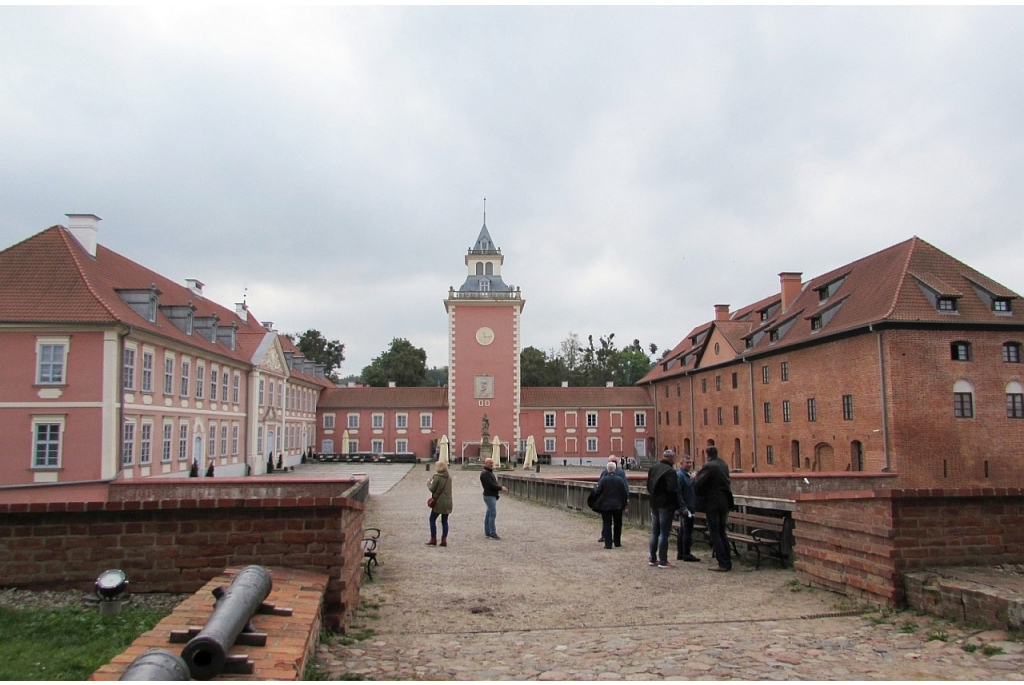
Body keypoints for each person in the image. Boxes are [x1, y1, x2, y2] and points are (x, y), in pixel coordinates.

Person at [694, 445, 734, 572]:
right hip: (724, 501)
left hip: (713, 503)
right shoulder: (724, 465)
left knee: (715, 533)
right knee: (722, 532)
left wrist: (695, 477)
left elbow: (698, 483)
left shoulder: (709, 466)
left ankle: (723, 563)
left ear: (707, 455)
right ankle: (727, 560)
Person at [646, 448, 681, 568]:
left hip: (654, 503)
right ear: (671, 458)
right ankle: (663, 560)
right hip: (665, 504)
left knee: (655, 532)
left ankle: (652, 558)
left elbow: (649, 485)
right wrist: (677, 505)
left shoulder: (654, 468)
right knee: (664, 534)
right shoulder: (670, 471)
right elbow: (673, 490)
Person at [593, 461, 629, 548]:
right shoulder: (620, 480)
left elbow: (597, 491)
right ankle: (617, 542)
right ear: (615, 469)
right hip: (618, 505)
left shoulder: (603, 480)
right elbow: (624, 493)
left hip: (606, 505)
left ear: (607, 470)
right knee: (618, 524)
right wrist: (625, 505)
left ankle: (608, 544)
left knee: (607, 524)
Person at [676, 455, 700, 562]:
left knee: (683, 530)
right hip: (686, 507)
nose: (689, 465)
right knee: (687, 531)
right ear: (681, 463)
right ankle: (686, 553)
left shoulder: (686, 475)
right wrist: (682, 507)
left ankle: (681, 553)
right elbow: (679, 492)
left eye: (691, 463)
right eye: (687, 463)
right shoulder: (680, 476)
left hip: (688, 505)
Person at [426, 461, 454, 546]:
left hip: (439, 502)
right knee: (444, 521)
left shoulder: (437, 477)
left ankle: (433, 539)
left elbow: (432, 489)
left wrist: (428, 482)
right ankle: (444, 540)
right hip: (448, 502)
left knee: (432, 519)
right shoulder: (449, 478)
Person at [479, 457, 507, 540]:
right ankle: (492, 533)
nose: (491, 464)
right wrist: (500, 488)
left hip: (490, 495)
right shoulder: (485, 473)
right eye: (490, 463)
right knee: (492, 514)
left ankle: (488, 532)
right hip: (489, 495)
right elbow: (490, 485)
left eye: (492, 463)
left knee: (489, 514)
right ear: (486, 463)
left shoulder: (488, 472)